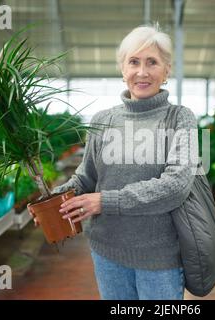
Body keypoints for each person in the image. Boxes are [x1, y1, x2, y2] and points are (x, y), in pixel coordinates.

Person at [46, 25, 198, 300]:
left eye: (152, 62)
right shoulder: (103, 120)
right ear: (122, 69)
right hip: (106, 252)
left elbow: (177, 186)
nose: (142, 72)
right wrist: (53, 200)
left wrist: (104, 201)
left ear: (166, 70)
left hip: (159, 257)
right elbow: (85, 177)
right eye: (134, 62)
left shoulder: (179, 118)